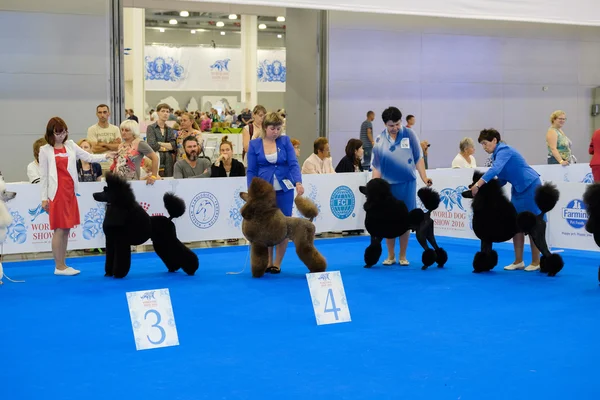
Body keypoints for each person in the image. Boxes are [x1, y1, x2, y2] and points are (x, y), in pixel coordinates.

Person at [39, 117, 114, 276]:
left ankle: (63, 264)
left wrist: (106, 156)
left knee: (66, 229)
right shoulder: (45, 150)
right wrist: (44, 198)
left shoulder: (71, 145)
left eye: (64, 132)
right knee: (59, 229)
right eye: (58, 133)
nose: (61, 135)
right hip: (56, 193)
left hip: (70, 192)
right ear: (51, 133)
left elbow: (89, 157)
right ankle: (58, 266)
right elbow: (44, 176)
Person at [470, 128, 543, 271]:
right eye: (482, 145)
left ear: (495, 140)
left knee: (533, 223)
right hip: (517, 189)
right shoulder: (497, 155)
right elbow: (502, 180)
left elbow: (495, 170)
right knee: (517, 224)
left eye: (485, 143)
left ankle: (536, 261)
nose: (484, 147)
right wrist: (486, 189)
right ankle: (518, 261)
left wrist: (478, 184)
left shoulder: (504, 151)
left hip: (530, 186)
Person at [371, 106, 432, 266]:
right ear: (385, 124)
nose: (395, 128)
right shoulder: (379, 140)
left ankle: (403, 256)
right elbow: (376, 166)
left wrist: (424, 177)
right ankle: (390, 255)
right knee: (389, 220)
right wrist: (375, 188)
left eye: (397, 124)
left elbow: (419, 158)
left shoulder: (410, 134)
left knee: (406, 219)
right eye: (391, 125)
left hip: (407, 184)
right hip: (388, 188)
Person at [247, 112, 303, 274]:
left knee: (283, 225)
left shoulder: (285, 141)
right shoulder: (254, 145)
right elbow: (251, 170)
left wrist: (298, 182)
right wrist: (252, 192)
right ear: (265, 128)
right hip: (264, 193)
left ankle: (277, 263)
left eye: (279, 128)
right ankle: (267, 261)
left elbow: (293, 164)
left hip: (285, 189)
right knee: (266, 226)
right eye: (273, 128)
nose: (276, 132)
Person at [146, 103, 177, 177]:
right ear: (157, 112)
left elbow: (173, 145)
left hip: (168, 161)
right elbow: (152, 145)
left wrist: (159, 143)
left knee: (168, 180)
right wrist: (167, 147)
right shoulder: (151, 128)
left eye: (167, 111)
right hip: (156, 158)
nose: (165, 114)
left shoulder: (170, 129)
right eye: (163, 111)